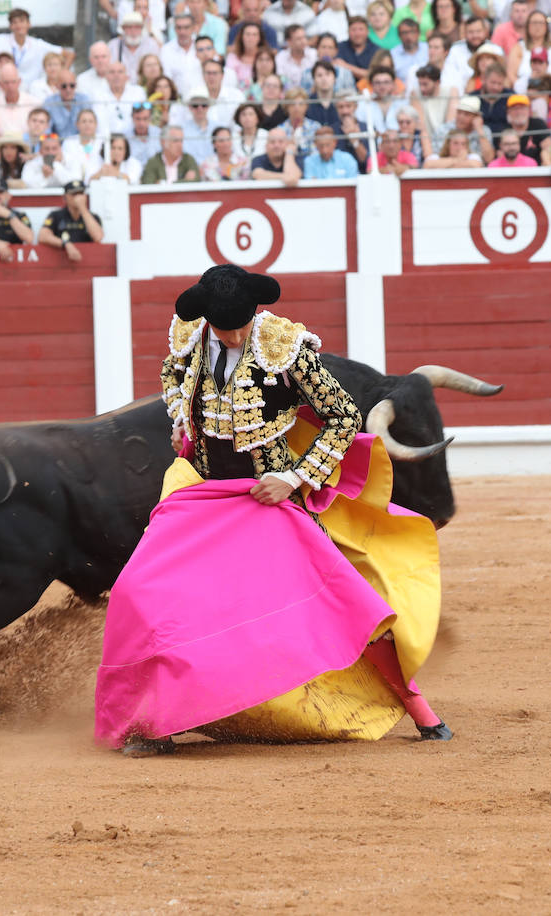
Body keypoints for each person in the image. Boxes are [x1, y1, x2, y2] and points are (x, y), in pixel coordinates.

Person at [97, 264, 451, 756]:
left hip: (270, 499)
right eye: (227, 327)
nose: (238, 334)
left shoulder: (286, 347)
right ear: (205, 320)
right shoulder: (187, 339)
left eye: (244, 322)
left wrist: (294, 477)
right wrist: (182, 422)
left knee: (344, 602)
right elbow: (172, 380)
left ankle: (417, 707)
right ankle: (152, 722)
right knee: (143, 592)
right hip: (202, 494)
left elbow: (343, 416)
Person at [0, 7, 69, 87]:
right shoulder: (1, 40)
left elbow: (69, 55)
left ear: (29, 24)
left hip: (31, 90)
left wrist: (61, 77)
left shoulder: (38, 44)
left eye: (22, 21)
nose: (18, 25)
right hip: (7, 86)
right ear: (10, 26)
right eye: (14, 22)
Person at [37, 178, 104, 262]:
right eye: (74, 194)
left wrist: (83, 208)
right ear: (65, 197)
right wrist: (65, 244)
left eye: (81, 193)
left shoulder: (93, 217)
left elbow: (98, 237)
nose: (78, 198)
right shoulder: (56, 216)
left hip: (89, 262)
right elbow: (42, 236)